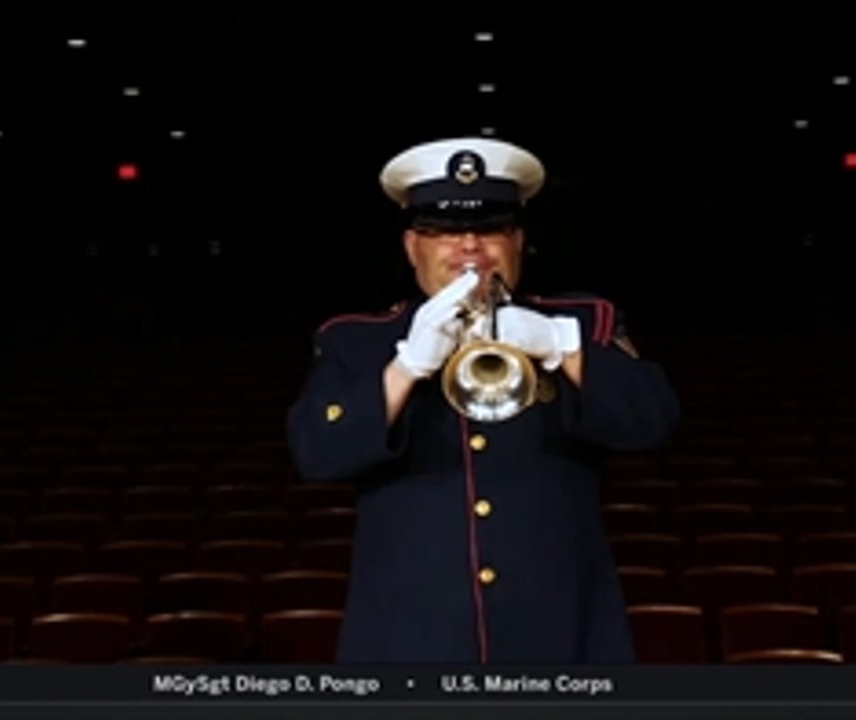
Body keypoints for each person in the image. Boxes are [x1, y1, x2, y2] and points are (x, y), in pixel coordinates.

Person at [286, 137, 680, 664]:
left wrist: (563, 346)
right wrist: (405, 369)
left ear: (518, 241)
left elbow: (654, 422)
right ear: (411, 247)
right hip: (410, 637)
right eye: (444, 232)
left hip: (560, 633)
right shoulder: (355, 341)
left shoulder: (585, 324)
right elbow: (315, 453)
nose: (470, 246)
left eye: (491, 229)